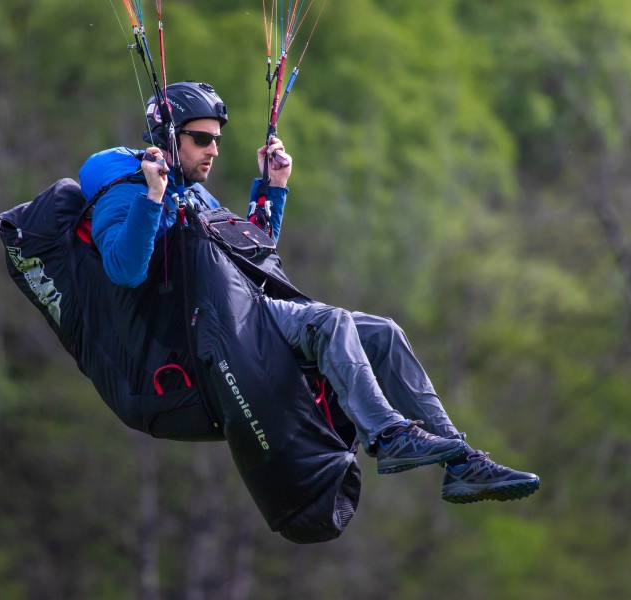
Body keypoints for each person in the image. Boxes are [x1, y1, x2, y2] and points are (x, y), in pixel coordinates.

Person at [80, 81, 540, 504]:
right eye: (202, 139)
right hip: (208, 334)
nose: (214, 150)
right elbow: (123, 269)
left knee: (383, 333)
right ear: (167, 138)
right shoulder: (126, 191)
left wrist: (272, 188)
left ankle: (461, 462)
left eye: (217, 139)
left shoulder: (195, 196)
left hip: (243, 310)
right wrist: (152, 197)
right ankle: (387, 435)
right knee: (330, 321)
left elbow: (249, 256)